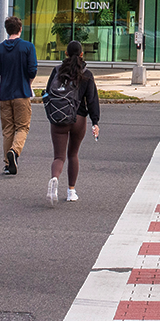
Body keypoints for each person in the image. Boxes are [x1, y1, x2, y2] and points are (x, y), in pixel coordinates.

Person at [44, 41, 100, 205]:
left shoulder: (56, 71)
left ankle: (54, 179)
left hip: (58, 118)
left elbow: (48, 93)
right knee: (73, 154)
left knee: (59, 156)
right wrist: (95, 122)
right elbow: (92, 100)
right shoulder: (86, 74)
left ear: (66, 54)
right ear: (82, 54)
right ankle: (71, 191)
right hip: (78, 118)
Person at [0, 15, 38, 175]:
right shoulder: (28, 47)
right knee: (22, 127)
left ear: (6, 30)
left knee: (8, 129)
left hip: (4, 94)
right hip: (22, 93)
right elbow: (32, 70)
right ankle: (14, 151)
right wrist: (29, 83)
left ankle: (7, 164)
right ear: (20, 29)